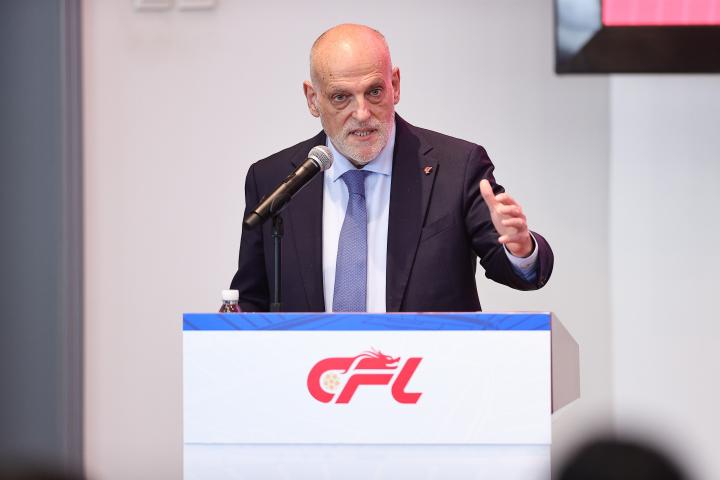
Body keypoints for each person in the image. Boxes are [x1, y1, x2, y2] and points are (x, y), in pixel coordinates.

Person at [230, 23, 553, 313]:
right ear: (313, 99)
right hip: (311, 363)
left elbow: (515, 270)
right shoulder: (272, 179)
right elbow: (251, 298)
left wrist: (520, 248)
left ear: (394, 85)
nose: (362, 113)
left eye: (374, 92)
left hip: (427, 361)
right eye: (341, 97)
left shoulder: (457, 167)